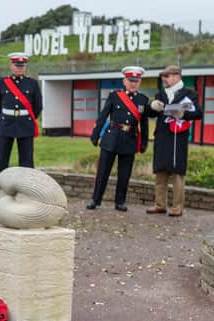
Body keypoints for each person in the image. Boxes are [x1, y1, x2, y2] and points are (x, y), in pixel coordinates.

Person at [86, 66, 150, 212]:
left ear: (139, 82)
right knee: (102, 171)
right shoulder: (115, 96)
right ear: (124, 81)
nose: (133, 83)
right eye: (130, 80)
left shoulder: (143, 100)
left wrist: (144, 143)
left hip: (130, 138)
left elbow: (144, 124)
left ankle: (120, 201)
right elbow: (103, 115)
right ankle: (95, 200)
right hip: (112, 136)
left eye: (136, 81)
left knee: (125, 173)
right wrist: (95, 134)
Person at [146, 65, 203, 217]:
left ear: (177, 77)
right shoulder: (161, 94)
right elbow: (150, 113)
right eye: (163, 76)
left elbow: (198, 113)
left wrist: (180, 112)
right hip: (162, 136)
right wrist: (152, 106)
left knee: (177, 172)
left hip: (178, 136)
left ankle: (177, 207)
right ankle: (160, 205)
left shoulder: (189, 94)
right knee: (160, 171)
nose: (164, 79)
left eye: (167, 76)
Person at [0, 52, 42, 180]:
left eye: (22, 65)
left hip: (25, 124)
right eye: (17, 65)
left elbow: (38, 106)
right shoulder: (2, 83)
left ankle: (27, 188)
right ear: (11, 66)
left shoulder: (32, 84)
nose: (19, 68)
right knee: (1, 160)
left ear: (25, 67)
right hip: (6, 124)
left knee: (26, 161)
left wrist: (28, 118)